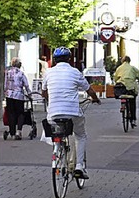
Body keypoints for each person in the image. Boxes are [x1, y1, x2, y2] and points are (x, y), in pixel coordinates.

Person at [42, 46, 101, 179]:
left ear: (55, 59)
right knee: (80, 136)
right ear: (69, 59)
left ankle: (57, 151)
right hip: (72, 112)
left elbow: (44, 92)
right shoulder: (75, 72)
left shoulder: (49, 73)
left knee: (56, 133)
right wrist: (95, 99)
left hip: (54, 113)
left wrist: (51, 99)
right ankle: (79, 166)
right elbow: (89, 90)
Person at [4, 58, 31, 140]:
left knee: (11, 113)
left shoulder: (7, 73)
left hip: (9, 96)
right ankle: (18, 131)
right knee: (20, 113)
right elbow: (26, 85)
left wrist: (6, 92)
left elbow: (5, 85)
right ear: (19, 65)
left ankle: (12, 133)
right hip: (19, 95)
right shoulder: (21, 73)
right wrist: (29, 94)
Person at [113, 55, 139, 126]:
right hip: (130, 88)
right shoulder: (133, 68)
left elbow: (115, 78)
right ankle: (133, 119)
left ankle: (123, 105)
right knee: (132, 102)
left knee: (122, 96)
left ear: (122, 61)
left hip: (121, 88)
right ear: (129, 61)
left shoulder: (119, 68)